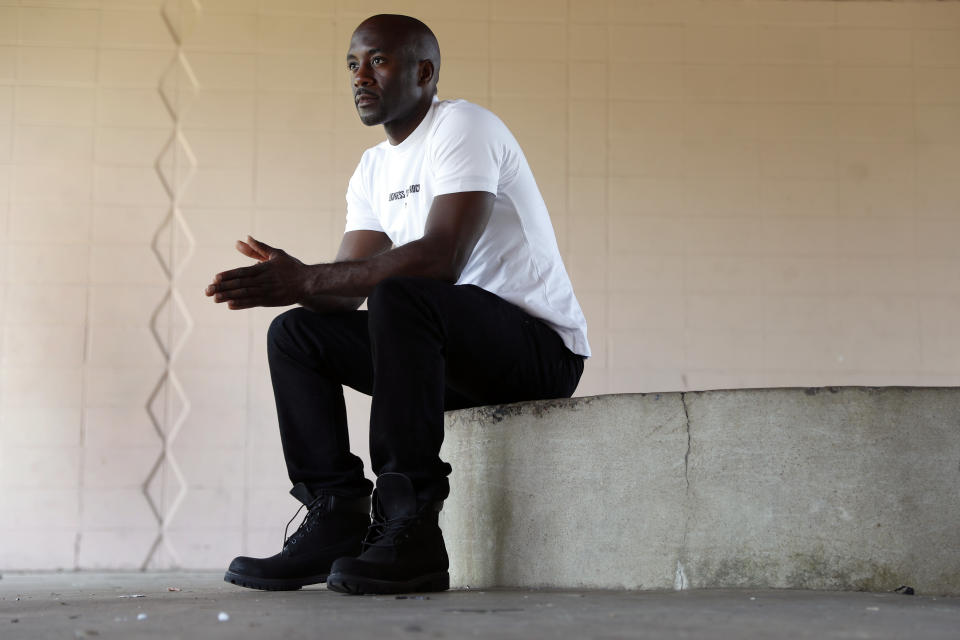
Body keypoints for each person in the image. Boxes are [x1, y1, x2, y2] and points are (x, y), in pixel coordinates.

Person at [206, 14, 590, 595]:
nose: (361, 76)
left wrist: (311, 278)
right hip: (448, 360)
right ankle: (335, 513)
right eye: (353, 64)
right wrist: (296, 284)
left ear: (424, 71)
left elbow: (442, 259)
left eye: (378, 61)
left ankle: (411, 528)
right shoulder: (373, 168)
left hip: (536, 354)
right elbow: (344, 293)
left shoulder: (462, 126)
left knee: (404, 293)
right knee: (296, 335)